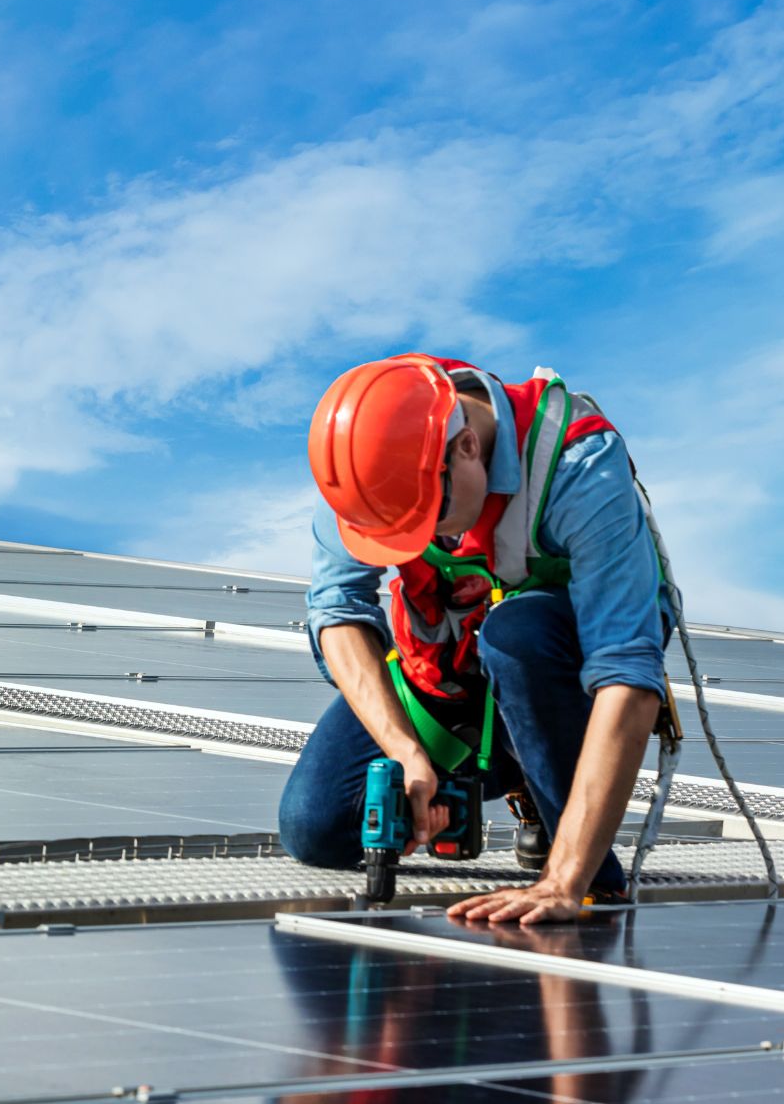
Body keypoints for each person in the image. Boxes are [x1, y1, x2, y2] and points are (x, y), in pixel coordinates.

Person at [280, 353, 677, 924]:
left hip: (561, 660)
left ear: (465, 447)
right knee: (315, 827)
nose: (426, 539)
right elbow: (337, 610)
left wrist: (566, 881)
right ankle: (510, 771)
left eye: (428, 517)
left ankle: (577, 847)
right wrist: (406, 752)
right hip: (452, 659)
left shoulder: (577, 465)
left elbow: (625, 673)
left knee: (517, 633)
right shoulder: (367, 466)